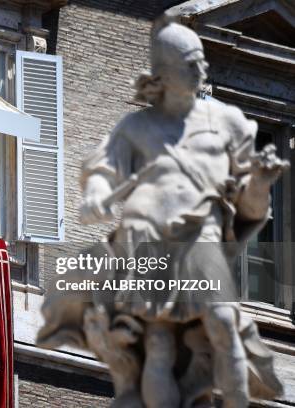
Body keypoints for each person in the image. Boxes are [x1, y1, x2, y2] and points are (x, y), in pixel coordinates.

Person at [39, 16, 285, 408]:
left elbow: (249, 207)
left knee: (223, 324)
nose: (202, 70)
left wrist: (260, 182)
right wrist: (96, 194)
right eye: (192, 63)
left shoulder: (228, 123)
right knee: (157, 342)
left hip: (200, 238)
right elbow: (104, 171)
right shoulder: (137, 127)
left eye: (202, 61)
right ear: (167, 73)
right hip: (146, 239)